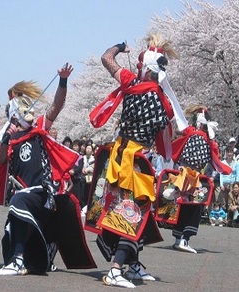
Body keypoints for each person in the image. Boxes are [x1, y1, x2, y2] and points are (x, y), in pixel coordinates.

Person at [88, 33, 188, 288]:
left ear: (144, 68)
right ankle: (115, 269)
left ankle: (131, 265)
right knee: (133, 213)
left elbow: (105, 58)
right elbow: (169, 135)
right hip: (138, 162)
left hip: (120, 157)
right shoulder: (163, 102)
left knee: (137, 213)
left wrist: (121, 46)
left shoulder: (130, 81)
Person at [0, 63, 96, 276]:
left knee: (18, 202)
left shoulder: (39, 128)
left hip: (43, 192)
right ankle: (28, 257)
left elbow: (56, 106)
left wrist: (62, 81)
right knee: (17, 220)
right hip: (23, 193)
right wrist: (7, 136)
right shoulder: (7, 139)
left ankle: (17, 260)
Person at [166, 105, 231, 253]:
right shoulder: (209, 141)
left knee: (182, 206)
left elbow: (180, 129)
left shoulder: (191, 132)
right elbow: (215, 157)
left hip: (182, 173)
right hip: (196, 178)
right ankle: (184, 239)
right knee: (194, 208)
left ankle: (178, 239)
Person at [219, 147, 239, 212]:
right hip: (224, 184)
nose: (229, 154)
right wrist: (221, 184)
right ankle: (223, 217)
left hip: (232, 184)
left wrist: (237, 185)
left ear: (233, 153)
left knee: (231, 201)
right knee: (224, 201)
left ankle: (230, 218)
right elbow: (221, 174)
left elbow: (237, 174)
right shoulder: (223, 162)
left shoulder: (236, 163)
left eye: (231, 152)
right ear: (226, 153)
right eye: (228, 152)